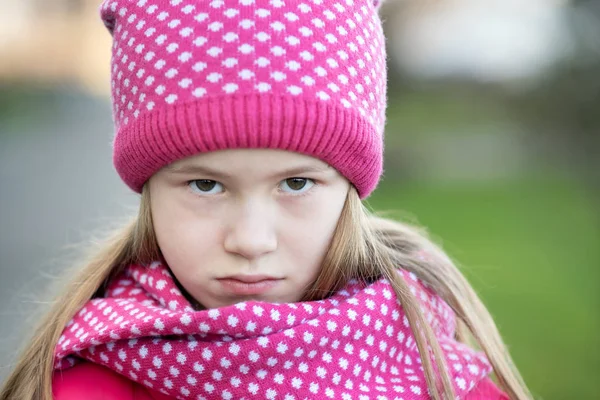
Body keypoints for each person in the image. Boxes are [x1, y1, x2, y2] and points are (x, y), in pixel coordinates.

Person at [1, 0, 532, 399]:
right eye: (205, 185)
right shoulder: (83, 385)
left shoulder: (435, 374)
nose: (251, 241)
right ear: (148, 189)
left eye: (296, 184)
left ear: (350, 188)